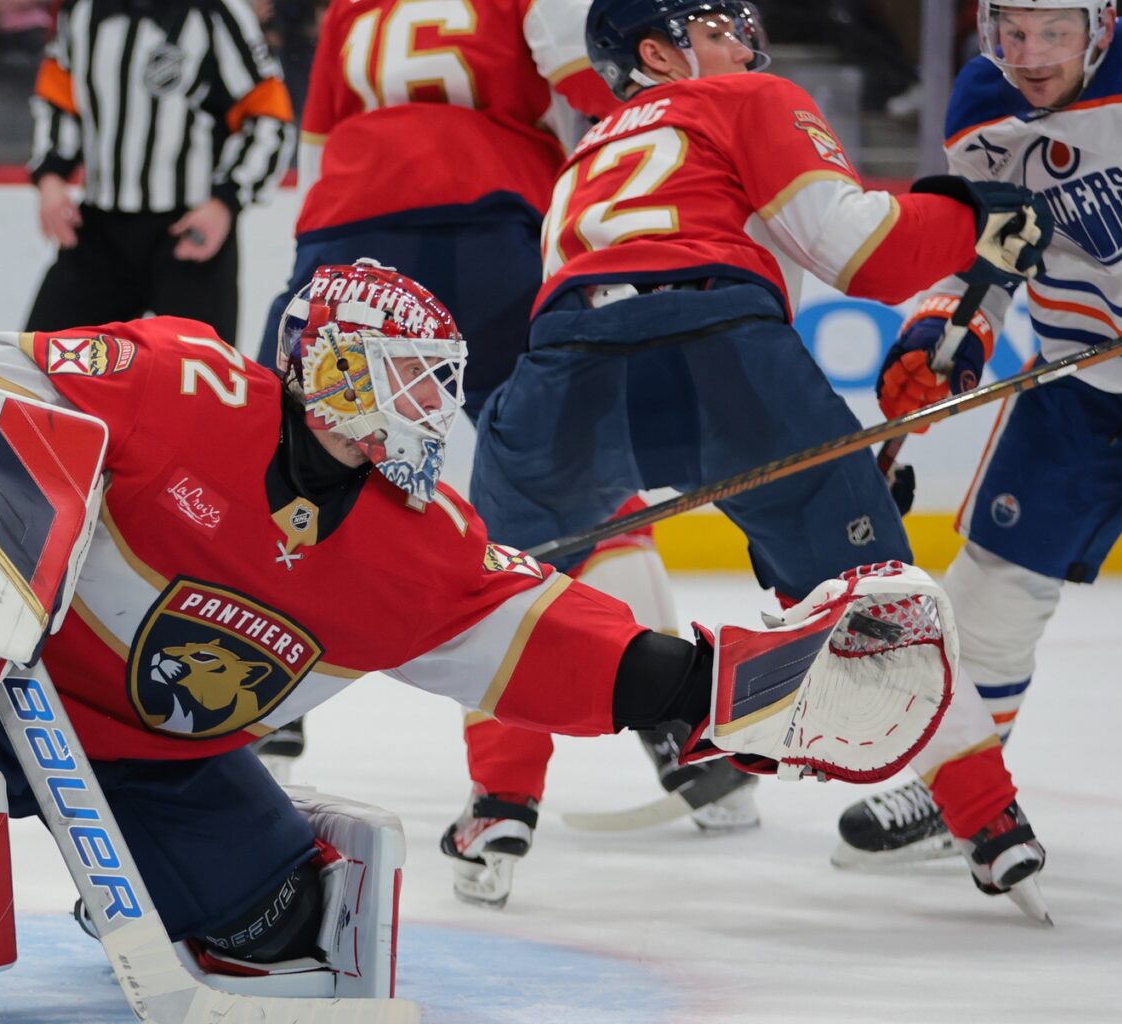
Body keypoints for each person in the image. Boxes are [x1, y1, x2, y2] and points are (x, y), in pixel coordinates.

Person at [0, 259, 960, 986]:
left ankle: (141, 884)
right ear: (332, 367)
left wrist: (716, 691)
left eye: (439, 385)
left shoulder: (417, 548)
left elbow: (549, 641)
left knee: (285, 939)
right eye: (408, 377)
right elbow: (0, 374)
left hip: (153, 762)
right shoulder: (180, 379)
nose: (431, 406)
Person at [470, 0, 1057, 913]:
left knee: (501, 589)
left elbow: (632, 272)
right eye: (712, 27)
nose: (741, 41)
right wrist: (970, 214)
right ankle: (989, 824)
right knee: (875, 597)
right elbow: (862, 248)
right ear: (657, 55)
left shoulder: (585, 156)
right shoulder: (742, 99)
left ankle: (498, 805)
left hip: (560, 375)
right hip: (720, 357)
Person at [246, 0, 757, 903]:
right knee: (575, 476)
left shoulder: (351, 11)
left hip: (348, 238)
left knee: (280, 464)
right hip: (493, 226)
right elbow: (608, 101)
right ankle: (680, 726)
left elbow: (318, 149)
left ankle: (262, 704)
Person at [834, 0, 1122, 870]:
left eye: (1053, 33)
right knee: (991, 587)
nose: (1028, 55)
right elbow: (989, 250)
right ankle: (955, 777)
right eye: (1010, 33)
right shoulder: (983, 108)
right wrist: (953, 327)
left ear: (1099, 28)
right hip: (1083, 381)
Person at [25, 0, 295, 342]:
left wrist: (225, 202)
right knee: (39, 366)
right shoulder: (82, 10)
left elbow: (270, 114)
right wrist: (50, 179)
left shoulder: (217, 11)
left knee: (200, 382)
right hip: (97, 231)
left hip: (190, 231)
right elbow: (57, 99)